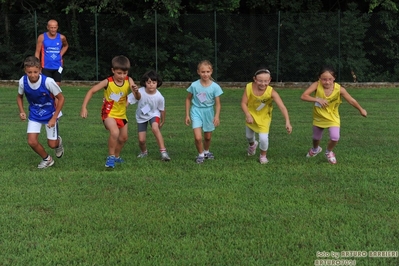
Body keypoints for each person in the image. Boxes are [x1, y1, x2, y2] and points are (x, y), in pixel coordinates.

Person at [80, 55, 139, 168]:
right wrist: (84, 107)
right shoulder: (108, 82)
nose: (122, 76)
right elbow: (91, 91)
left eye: (125, 73)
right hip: (108, 113)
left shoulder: (129, 80)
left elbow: (138, 98)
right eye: (119, 73)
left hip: (122, 114)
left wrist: (136, 92)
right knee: (115, 132)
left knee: (123, 138)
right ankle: (110, 157)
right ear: (113, 70)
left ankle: (116, 156)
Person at [300, 65, 367, 164]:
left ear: (334, 78)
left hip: (333, 117)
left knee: (335, 137)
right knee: (316, 138)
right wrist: (317, 99)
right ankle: (315, 149)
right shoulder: (316, 85)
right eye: (324, 79)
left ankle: (328, 152)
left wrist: (361, 109)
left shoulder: (339, 89)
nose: (327, 82)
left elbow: (351, 100)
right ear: (319, 78)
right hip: (319, 116)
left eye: (330, 79)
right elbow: (303, 96)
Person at [17, 56, 65, 169]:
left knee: (52, 144)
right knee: (32, 141)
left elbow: (61, 98)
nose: (32, 75)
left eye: (35, 72)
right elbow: (19, 97)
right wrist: (22, 111)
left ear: (40, 70)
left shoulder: (48, 82)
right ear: (25, 71)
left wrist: (54, 118)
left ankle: (58, 142)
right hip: (34, 114)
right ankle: (47, 159)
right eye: (29, 72)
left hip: (50, 114)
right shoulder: (22, 81)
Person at [241, 69, 292, 164]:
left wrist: (287, 122)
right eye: (260, 81)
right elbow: (243, 103)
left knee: (263, 138)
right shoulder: (249, 87)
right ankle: (252, 145)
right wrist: (248, 115)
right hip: (251, 115)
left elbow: (282, 107)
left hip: (264, 118)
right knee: (249, 136)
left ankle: (263, 156)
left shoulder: (271, 92)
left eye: (266, 81)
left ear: (269, 80)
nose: (263, 84)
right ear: (255, 79)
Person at [185, 60, 223, 164]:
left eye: (207, 71)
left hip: (209, 112)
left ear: (211, 72)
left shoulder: (215, 87)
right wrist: (187, 115)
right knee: (198, 137)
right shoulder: (194, 85)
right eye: (203, 72)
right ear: (198, 72)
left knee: (207, 137)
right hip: (196, 111)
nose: (205, 74)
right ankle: (200, 154)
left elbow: (218, 103)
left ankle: (206, 151)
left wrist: (217, 116)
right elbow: (188, 99)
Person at [127, 70, 171, 161]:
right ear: (145, 83)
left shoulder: (159, 97)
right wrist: (122, 109)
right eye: (149, 82)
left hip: (154, 114)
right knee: (141, 140)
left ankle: (164, 153)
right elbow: (128, 100)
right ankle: (144, 152)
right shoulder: (139, 92)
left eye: (154, 82)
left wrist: (163, 120)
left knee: (155, 128)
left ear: (157, 83)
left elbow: (162, 109)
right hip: (141, 117)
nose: (151, 84)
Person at [34, 19, 69, 86]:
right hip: (45, 66)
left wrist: (60, 54)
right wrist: (37, 66)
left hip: (58, 66)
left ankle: (55, 97)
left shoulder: (62, 37)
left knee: (56, 87)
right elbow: (37, 52)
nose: (53, 29)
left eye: (55, 27)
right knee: (46, 86)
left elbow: (66, 46)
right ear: (48, 27)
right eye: (51, 27)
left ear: (57, 27)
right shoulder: (42, 37)